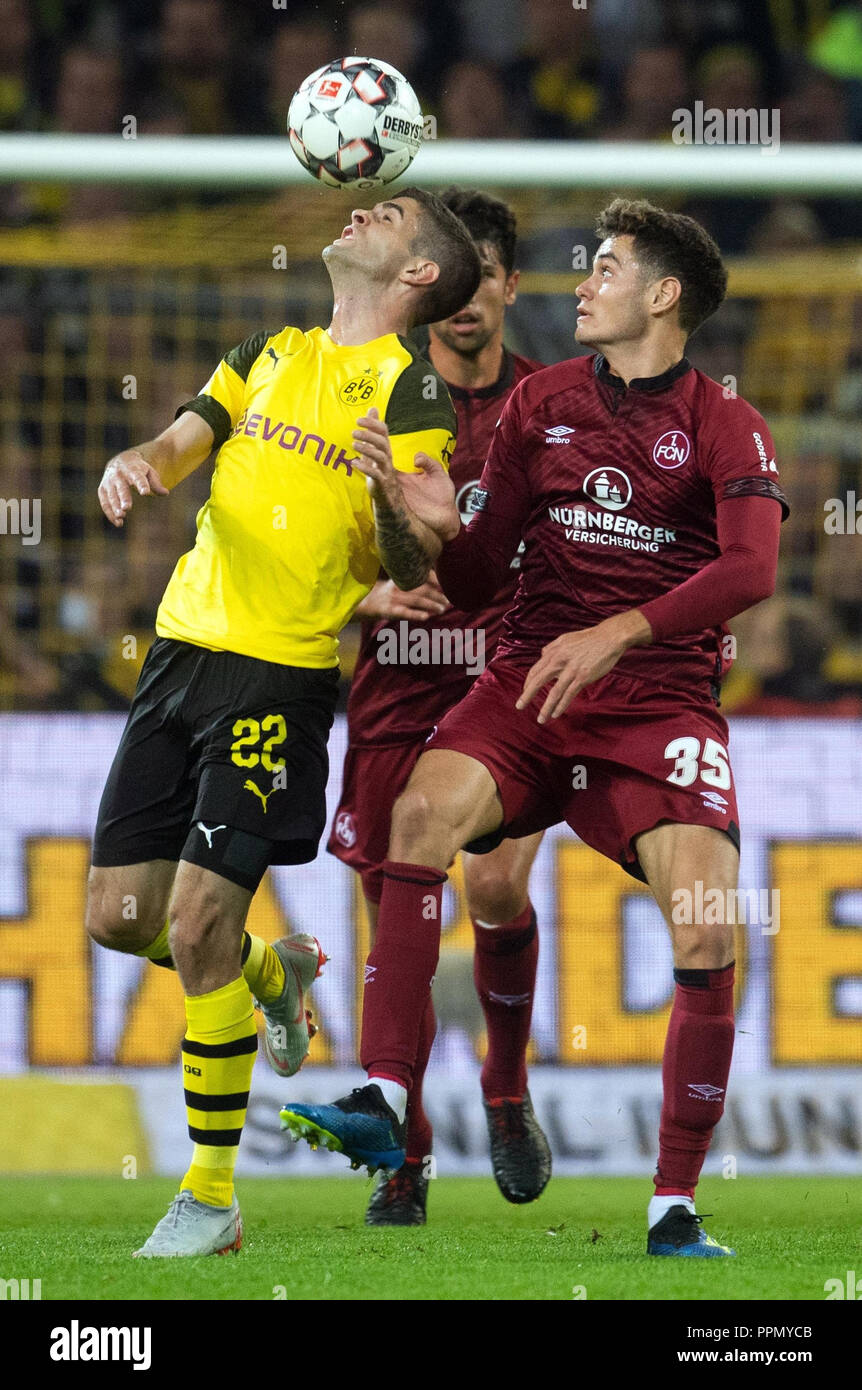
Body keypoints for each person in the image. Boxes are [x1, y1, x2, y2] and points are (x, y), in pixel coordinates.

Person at [282, 198, 790, 1258]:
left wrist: (622, 631)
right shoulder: (541, 404)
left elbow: (749, 569)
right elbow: (476, 573)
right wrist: (428, 523)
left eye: (604, 267)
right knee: (414, 825)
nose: (583, 283)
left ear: (662, 295)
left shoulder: (725, 423)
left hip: (656, 702)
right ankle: (385, 1099)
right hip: (524, 682)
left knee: (706, 925)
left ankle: (673, 1206)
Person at [85, 189, 481, 1257]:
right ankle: (277, 975)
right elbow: (182, 441)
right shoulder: (265, 349)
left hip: (277, 680)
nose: (357, 213)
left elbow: (420, 558)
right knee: (120, 917)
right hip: (177, 656)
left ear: (416, 276)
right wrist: (139, 466)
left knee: (200, 922)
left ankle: (210, 1200)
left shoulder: (407, 393)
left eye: (386, 211)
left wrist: (394, 500)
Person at [328, 189, 547, 1227]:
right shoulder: (369, 388)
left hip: (496, 673)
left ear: (504, 284)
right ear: (425, 287)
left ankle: (505, 1090)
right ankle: (404, 1158)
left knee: (496, 887)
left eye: (484, 276)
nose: (465, 301)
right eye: (447, 280)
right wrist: (365, 590)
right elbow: (299, 534)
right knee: (393, 918)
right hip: (392, 680)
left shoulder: (551, 404)